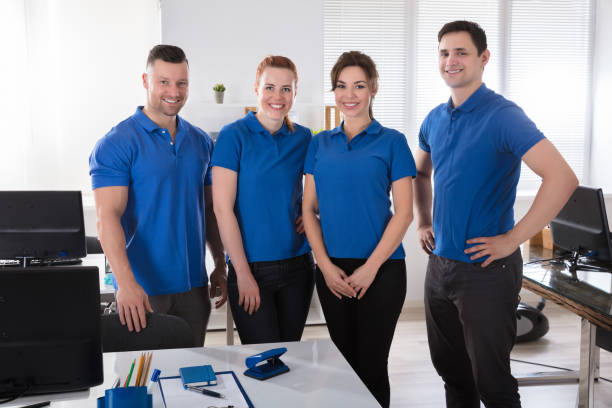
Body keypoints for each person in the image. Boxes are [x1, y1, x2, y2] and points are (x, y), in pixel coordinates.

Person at [414, 21, 579, 408]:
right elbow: (421, 172)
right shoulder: (435, 118)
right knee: (453, 375)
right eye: (444, 53)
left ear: (483, 58)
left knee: (492, 383)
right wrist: (423, 220)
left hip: (486, 270)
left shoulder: (503, 116)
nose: (451, 61)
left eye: (461, 52)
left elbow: (562, 178)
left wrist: (512, 239)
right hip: (440, 267)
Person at [89, 44, 227, 347]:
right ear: (145, 81)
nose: (174, 91)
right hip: (143, 290)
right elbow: (106, 217)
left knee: (191, 382)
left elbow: (209, 210)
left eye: (182, 83)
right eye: (164, 81)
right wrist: (125, 285)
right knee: (142, 382)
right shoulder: (117, 143)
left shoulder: (201, 141)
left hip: (194, 289)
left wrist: (219, 262)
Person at [302, 51, 415, 408]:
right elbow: (309, 210)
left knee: (370, 365)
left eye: (359, 85)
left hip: (382, 271)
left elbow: (405, 213)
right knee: (341, 366)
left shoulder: (393, 141)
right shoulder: (318, 143)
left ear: (374, 89)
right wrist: (322, 264)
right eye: (341, 86)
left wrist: (370, 269)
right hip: (332, 269)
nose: (349, 94)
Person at [212, 55, 314, 344]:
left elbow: (329, 187)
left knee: (291, 358)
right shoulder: (233, 136)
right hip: (251, 268)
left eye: (286, 89)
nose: (277, 97)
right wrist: (242, 274)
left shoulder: (304, 139)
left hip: (298, 266)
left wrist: (315, 216)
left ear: (296, 92)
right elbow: (222, 209)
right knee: (263, 362)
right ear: (256, 88)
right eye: (269, 87)